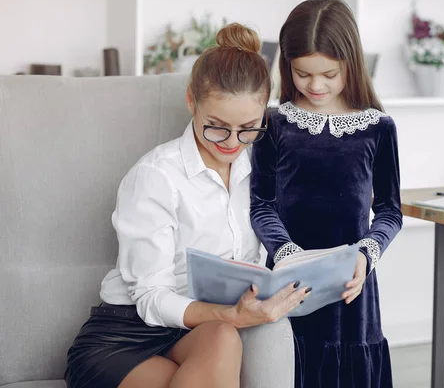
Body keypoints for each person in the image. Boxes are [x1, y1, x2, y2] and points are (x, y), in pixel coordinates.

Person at [64, 23, 310, 388]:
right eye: (216, 126)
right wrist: (233, 315)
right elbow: (150, 298)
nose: (231, 143)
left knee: (224, 336)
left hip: (204, 333)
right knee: (223, 334)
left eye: (248, 128)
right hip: (126, 336)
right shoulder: (156, 176)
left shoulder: (264, 170)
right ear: (192, 100)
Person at [249, 0, 403, 388]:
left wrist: (367, 253)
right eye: (302, 74)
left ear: (351, 62)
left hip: (351, 291)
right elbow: (261, 204)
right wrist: (286, 253)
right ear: (287, 65)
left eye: (329, 74)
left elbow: (390, 211)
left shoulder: (378, 127)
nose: (315, 86)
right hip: (286, 285)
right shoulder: (274, 123)